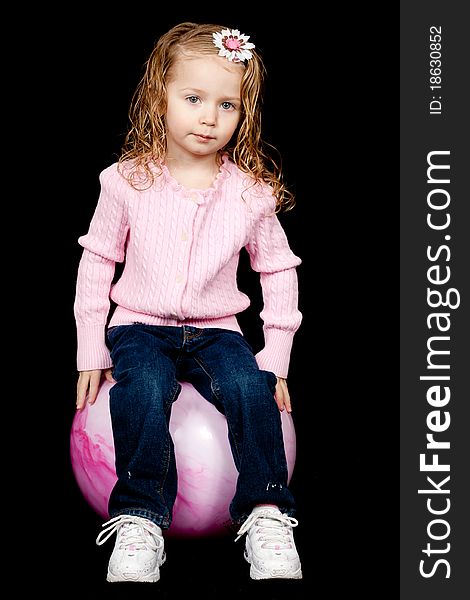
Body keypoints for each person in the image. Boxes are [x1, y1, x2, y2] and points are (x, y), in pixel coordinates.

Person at [74, 21, 303, 584]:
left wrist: (275, 356)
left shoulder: (250, 194)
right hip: (139, 326)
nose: (208, 116)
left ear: (242, 112)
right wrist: (89, 349)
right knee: (146, 390)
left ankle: (267, 512)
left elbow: (278, 270)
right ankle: (138, 519)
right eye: (194, 98)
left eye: (227, 104)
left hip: (217, 330)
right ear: (161, 97)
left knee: (249, 389)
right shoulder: (127, 182)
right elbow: (97, 261)